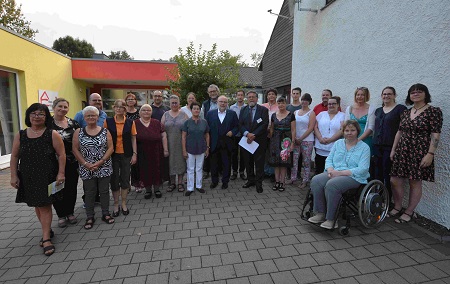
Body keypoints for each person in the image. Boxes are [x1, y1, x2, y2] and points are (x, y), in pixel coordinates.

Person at [10, 103, 66, 256]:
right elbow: (14, 156)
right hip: (28, 176)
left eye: (41, 114)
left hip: (47, 176)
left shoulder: (51, 133)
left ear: (46, 117)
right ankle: (46, 230)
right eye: (34, 113)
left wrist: (61, 174)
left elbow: (62, 155)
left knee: (45, 205)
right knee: (37, 204)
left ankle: (46, 238)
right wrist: (13, 175)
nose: (37, 116)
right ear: (29, 116)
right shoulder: (21, 134)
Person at [389, 83, 443, 223]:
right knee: (394, 180)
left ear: (425, 94)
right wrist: (394, 149)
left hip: (420, 152)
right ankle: (398, 206)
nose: (415, 94)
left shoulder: (433, 111)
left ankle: (409, 211)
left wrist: (430, 154)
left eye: (419, 91)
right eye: (412, 92)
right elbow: (399, 132)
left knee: (414, 181)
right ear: (409, 96)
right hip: (402, 150)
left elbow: (435, 134)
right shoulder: (406, 112)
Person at [308, 120, 370, 229]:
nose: (349, 133)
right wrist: (331, 170)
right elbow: (329, 159)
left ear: (357, 131)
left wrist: (340, 173)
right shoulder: (338, 143)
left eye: (352, 130)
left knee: (332, 184)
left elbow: (363, 169)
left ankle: (332, 219)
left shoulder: (364, 148)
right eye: (346, 130)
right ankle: (320, 213)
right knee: (316, 180)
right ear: (343, 132)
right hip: (334, 172)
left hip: (353, 177)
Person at [72, 106, 114, 230]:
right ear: (84, 118)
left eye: (93, 115)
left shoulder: (105, 131)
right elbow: (75, 149)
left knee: (104, 191)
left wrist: (100, 162)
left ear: (98, 117)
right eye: (88, 115)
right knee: (89, 192)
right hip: (86, 167)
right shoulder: (78, 131)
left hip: (104, 166)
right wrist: (86, 164)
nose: (91, 117)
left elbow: (110, 148)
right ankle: (90, 216)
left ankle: (105, 213)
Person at [104, 99, 137, 217]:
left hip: (126, 154)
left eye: (122, 107)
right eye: (117, 107)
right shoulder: (108, 122)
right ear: (114, 108)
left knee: (125, 178)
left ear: (125, 109)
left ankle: (123, 203)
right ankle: (115, 203)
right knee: (114, 179)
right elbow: (105, 140)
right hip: (112, 155)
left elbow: (133, 139)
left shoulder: (130, 122)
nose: (119, 109)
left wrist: (134, 154)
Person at [51, 98, 81, 228]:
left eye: (65, 107)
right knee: (56, 189)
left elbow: (79, 141)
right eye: (60, 106)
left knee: (71, 187)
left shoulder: (73, 123)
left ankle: (70, 212)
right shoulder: (47, 124)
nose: (63, 109)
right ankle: (61, 215)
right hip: (52, 163)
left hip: (71, 161)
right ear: (54, 107)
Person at [372, 87, 406, 199]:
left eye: (389, 94)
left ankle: (387, 200)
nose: (386, 96)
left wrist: (395, 149)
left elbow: (403, 130)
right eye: (384, 94)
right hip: (377, 146)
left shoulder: (400, 109)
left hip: (390, 147)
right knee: (377, 173)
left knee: (388, 175)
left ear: (394, 95)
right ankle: (378, 199)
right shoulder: (378, 110)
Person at [135, 104, 169, 199]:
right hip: (142, 152)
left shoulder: (157, 122)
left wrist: (165, 149)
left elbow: (163, 136)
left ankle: (157, 189)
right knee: (145, 170)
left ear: (151, 112)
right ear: (140, 112)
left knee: (157, 170)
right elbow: (132, 139)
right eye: (144, 110)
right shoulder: (135, 123)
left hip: (156, 151)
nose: (146, 112)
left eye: (148, 110)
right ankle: (148, 190)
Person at [206, 95, 239, 189]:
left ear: (227, 104)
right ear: (217, 103)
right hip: (214, 143)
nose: (223, 103)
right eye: (221, 101)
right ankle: (214, 181)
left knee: (226, 163)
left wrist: (232, 132)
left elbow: (237, 126)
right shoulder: (210, 114)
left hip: (227, 143)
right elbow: (207, 128)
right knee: (214, 164)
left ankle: (225, 181)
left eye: (225, 102)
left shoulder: (232, 114)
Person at [240, 91, 269, 193]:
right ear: (247, 99)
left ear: (257, 99)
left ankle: (259, 183)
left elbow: (264, 124)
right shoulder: (243, 110)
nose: (251, 99)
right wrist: (247, 134)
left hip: (259, 141)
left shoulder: (263, 110)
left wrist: (254, 135)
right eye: (249, 97)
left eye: (253, 97)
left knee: (259, 163)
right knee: (248, 162)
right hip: (246, 141)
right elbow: (240, 124)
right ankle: (250, 180)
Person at [182, 102, 210, 196]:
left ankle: (199, 186)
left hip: (201, 148)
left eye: (198, 109)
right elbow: (183, 137)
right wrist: (184, 150)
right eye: (194, 108)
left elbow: (207, 135)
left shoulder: (204, 122)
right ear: (191, 110)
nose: (196, 110)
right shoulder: (187, 122)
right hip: (190, 148)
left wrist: (207, 147)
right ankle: (190, 188)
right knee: (190, 169)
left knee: (199, 168)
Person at [288, 93, 316, 188]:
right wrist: (294, 138)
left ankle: (305, 180)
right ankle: (293, 178)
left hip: (307, 140)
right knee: (294, 160)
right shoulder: (296, 112)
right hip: (296, 140)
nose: (304, 102)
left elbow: (311, 128)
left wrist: (301, 138)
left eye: (306, 100)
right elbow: (293, 126)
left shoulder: (311, 113)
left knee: (306, 161)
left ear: (309, 102)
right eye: (303, 100)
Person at [161, 95, 188, 192]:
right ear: (169, 104)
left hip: (181, 143)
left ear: (179, 103)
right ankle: (172, 183)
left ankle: (180, 183)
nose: (174, 104)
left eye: (176, 102)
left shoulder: (184, 115)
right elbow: (161, 130)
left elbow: (188, 129)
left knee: (180, 162)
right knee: (170, 163)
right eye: (172, 102)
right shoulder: (165, 115)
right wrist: (164, 147)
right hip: (169, 143)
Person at [268, 96, 295, 192]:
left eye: (283, 103)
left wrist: (292, 143)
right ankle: (277, 182)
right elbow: (271, 128)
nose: (281, 105)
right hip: (275, 140)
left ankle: (282, 182)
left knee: (283, 163)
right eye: (279, 103)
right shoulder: (273, 115)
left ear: (286, 104)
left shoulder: (291, 115)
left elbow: (293, 130)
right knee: (276, 163)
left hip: (286, 141)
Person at [314, 96, 345, 174]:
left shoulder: (342, 116)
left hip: (334, 148)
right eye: (329, 104)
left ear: (338, 105)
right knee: (319, 169)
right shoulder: (321, 114)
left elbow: (342, 130)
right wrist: (320, 138)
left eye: (333, 104)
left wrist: (330, 140)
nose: (331, 105)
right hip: (320, 146)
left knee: (331, 171)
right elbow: (315, 127)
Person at [344, 87, 375, 152]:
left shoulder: (371, 109)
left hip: (365, 139)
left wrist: (358, 140)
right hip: (350, 139)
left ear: (366, 96)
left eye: (362, 95)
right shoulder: (349, 108)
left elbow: (371, 127)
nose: (359, 97)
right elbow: (346, 124)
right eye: (358, 95)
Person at [201, 84, 220, 179]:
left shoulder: (222, 101)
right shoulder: (205, 104)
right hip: (208, 130)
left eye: (214, 91)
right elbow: (202, 117)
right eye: (210, 92)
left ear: (217, 92)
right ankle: (206, 170)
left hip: (220, 131)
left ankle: (219, 170)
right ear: (208, 93)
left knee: (219, 150)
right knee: (207, 149)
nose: (212, 93)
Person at [125, 92, 141, 193]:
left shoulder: (138, 112)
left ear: (135, 101)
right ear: (126, 101)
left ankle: (137, 184)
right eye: (129, 99)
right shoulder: (123, 112)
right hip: (125, 140)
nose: (131, 101)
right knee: (126, 165)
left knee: (136, 164)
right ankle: (126, 185)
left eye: (132, 99)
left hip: (136, 139)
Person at [229, 90, 247, 180]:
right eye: (238, 95)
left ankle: (242, 172)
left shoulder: (247, 107)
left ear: (244, 96)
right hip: (235, 134)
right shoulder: (231, 108)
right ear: (236, 96)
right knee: (234, 154)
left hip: (244, 134)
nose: (240, 97)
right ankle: (234, 172)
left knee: (243, 154)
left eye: (241, 95)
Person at [262, 88, 279, 180]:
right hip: (264, 133)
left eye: (273, 94)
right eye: (269, 94)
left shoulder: (279, 106)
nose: (271, 96)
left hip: (275, 133)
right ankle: (265, 171)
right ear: (267, 96)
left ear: (276, 96)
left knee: (273, 153)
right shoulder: (262, 106)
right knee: (265, 153)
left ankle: (273, 173)